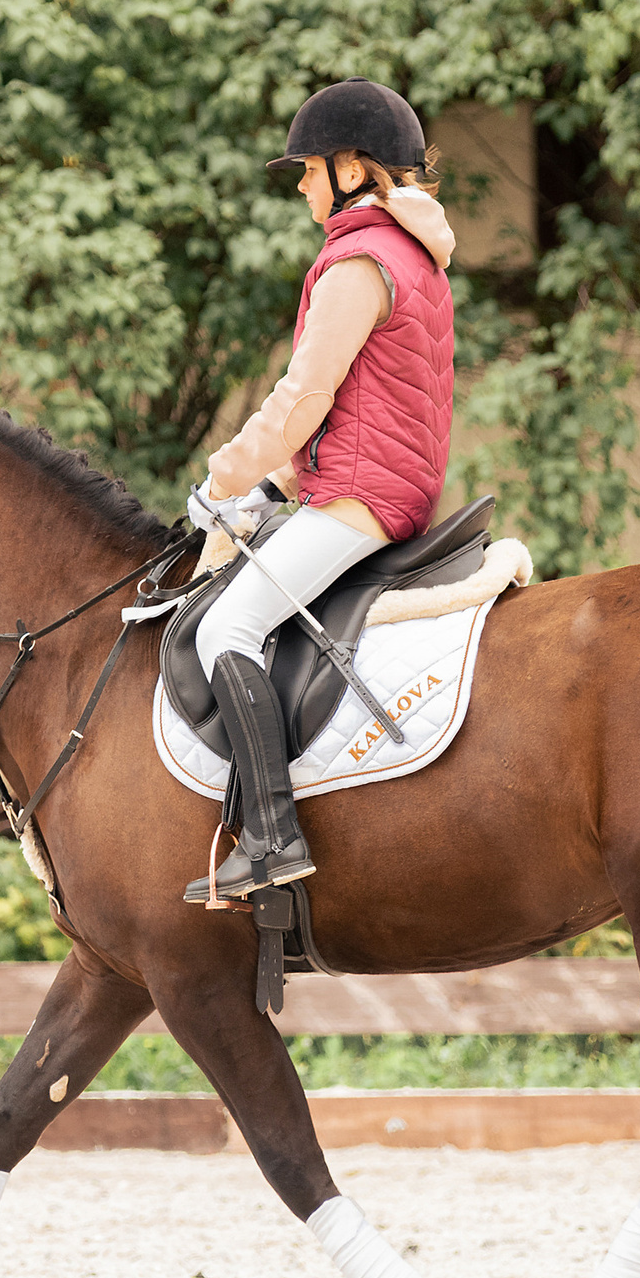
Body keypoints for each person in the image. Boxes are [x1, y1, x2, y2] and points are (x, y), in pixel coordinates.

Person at [183, 77, 458, 905]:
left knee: (226, 625)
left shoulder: (358, 260)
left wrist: (222, 479)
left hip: (362, 496)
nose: (302, 185)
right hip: (378, 482)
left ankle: (269, 835)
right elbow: (348, 406)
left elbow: (302, 399)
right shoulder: (412, 253)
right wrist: (268, 488)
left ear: (352, 168)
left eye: (308, 168)